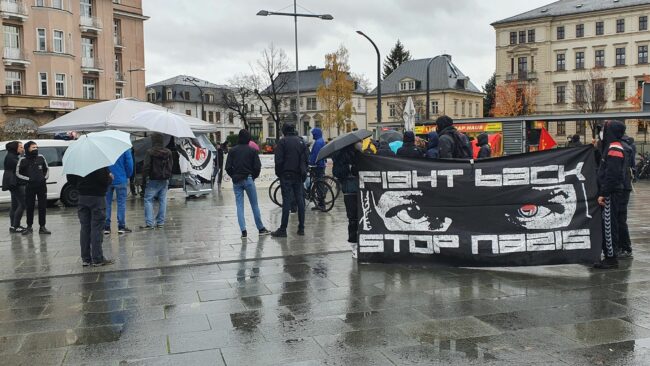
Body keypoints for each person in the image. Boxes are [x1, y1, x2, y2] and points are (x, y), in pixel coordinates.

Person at [594, 120, 628, 269]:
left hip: (610, 193)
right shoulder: (611, 147)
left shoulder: (614, 148)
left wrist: (603, 193)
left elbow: (612, 175)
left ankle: (611, 258)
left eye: (605, 130)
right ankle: (609, 254)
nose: (603, 132)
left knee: (609, 225)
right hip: (611, 192)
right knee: (608, 223)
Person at [225, 129, 270, 238]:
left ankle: (243, 231)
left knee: (239, 206)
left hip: (237, 181)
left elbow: (227, 168)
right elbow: (257, 167)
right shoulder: (252, 151)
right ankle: (260, 228)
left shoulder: (232, 151)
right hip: (248, 179)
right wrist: (252, 177)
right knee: (254, 205)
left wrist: (234, 176)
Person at [67, 167, 114, 267]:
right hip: (97, 198)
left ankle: (86, 259)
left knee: (85, 228)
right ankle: (97, 258)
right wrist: (110, 178)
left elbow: (70, 179)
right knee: (96, 228)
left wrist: (80, 186)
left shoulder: (77, 161)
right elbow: (104, 180)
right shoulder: (99, 163)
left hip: (82, 197)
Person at [272, 124, 308, 238]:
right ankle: (301, 227)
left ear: (284, 131)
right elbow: (307, 158)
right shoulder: (301, 142)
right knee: (300, 200)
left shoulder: (282, 142)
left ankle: (283, 229)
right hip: (298, 174)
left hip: (286, 174)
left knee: (287, 201)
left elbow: (278, 161)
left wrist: (279, 173)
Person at [16, 141, 51, 235]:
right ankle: (29, 227)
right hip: (30, 187)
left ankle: (42, 227)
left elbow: (46, 169)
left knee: (42, 207)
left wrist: (44, 178)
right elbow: (18, 173)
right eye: (33, 147)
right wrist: (29, 179)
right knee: (30, 207)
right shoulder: (23, 159)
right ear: (28, 148)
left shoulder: (41, 157)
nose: (36, 149)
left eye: (36, 147)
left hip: (42, 186)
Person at [332, 144, 360, 258]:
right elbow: (337, 172)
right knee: (353, 218)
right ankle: (354, 244)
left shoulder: (358, 154)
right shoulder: (341, 157)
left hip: (356, 189)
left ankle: (357, 242)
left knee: (356, 217)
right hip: (350, 189)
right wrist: (349, 168)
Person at [141, 133, 173, 230]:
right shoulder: (168, 152)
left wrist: (144, 179)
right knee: (163, 200)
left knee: (148, 199)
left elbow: (146, 167)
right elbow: (171, 166)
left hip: (153, 179)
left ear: (153, 141)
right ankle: (160, 222)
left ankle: (150, 223)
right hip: (164, 179)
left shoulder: (149, 152)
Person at [104, 150, 134, 235]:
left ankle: (106, 227)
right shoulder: (124, 148)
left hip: (107, 179)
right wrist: (127, 175)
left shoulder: (104, 147)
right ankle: (121, 226)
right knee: (121, 203)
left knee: (107, 203)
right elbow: (129, 164)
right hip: (121, 178)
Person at [617, 135, 636, 258]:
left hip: (621, 187)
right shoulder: (626, 145)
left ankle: (625, 247)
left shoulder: (622, 147)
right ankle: (622, 246)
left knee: (620, 218)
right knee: (620, 218)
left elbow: (620, 170)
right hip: (623, 186)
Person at [3, 141, 26, 233]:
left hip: (12, 182)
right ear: (15, 148)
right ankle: (16, 226)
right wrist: (24, 156)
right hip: (14, 182)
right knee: (23, 204)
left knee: (15, 204)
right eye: (20, 147)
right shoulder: (11, 157)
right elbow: (21, 167)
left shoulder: (11, 155)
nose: (22, 149)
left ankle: (13, 226)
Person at [308, 127, 326, 211]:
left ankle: (321, 204)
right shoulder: (320, 141)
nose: (312, 135)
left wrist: (310, 163)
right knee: (319, 184)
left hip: (318, 166)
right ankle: (320, 203)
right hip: (321, 164)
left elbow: (315, 155)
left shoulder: (318, 143)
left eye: (313, 134)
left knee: (318, 184)